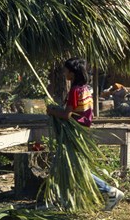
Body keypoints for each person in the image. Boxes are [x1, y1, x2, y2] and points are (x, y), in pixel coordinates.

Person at [46, 57, 125, 211]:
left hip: (74, 133)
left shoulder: (75, 91)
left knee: (71, 166)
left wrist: (52, 111)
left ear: (72, 73)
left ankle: (109, 191)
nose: (64, 72)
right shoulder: (86, 89)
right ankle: (62, 201)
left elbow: (66, 115)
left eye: (66, 70)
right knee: (64, 165)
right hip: (81, 132)